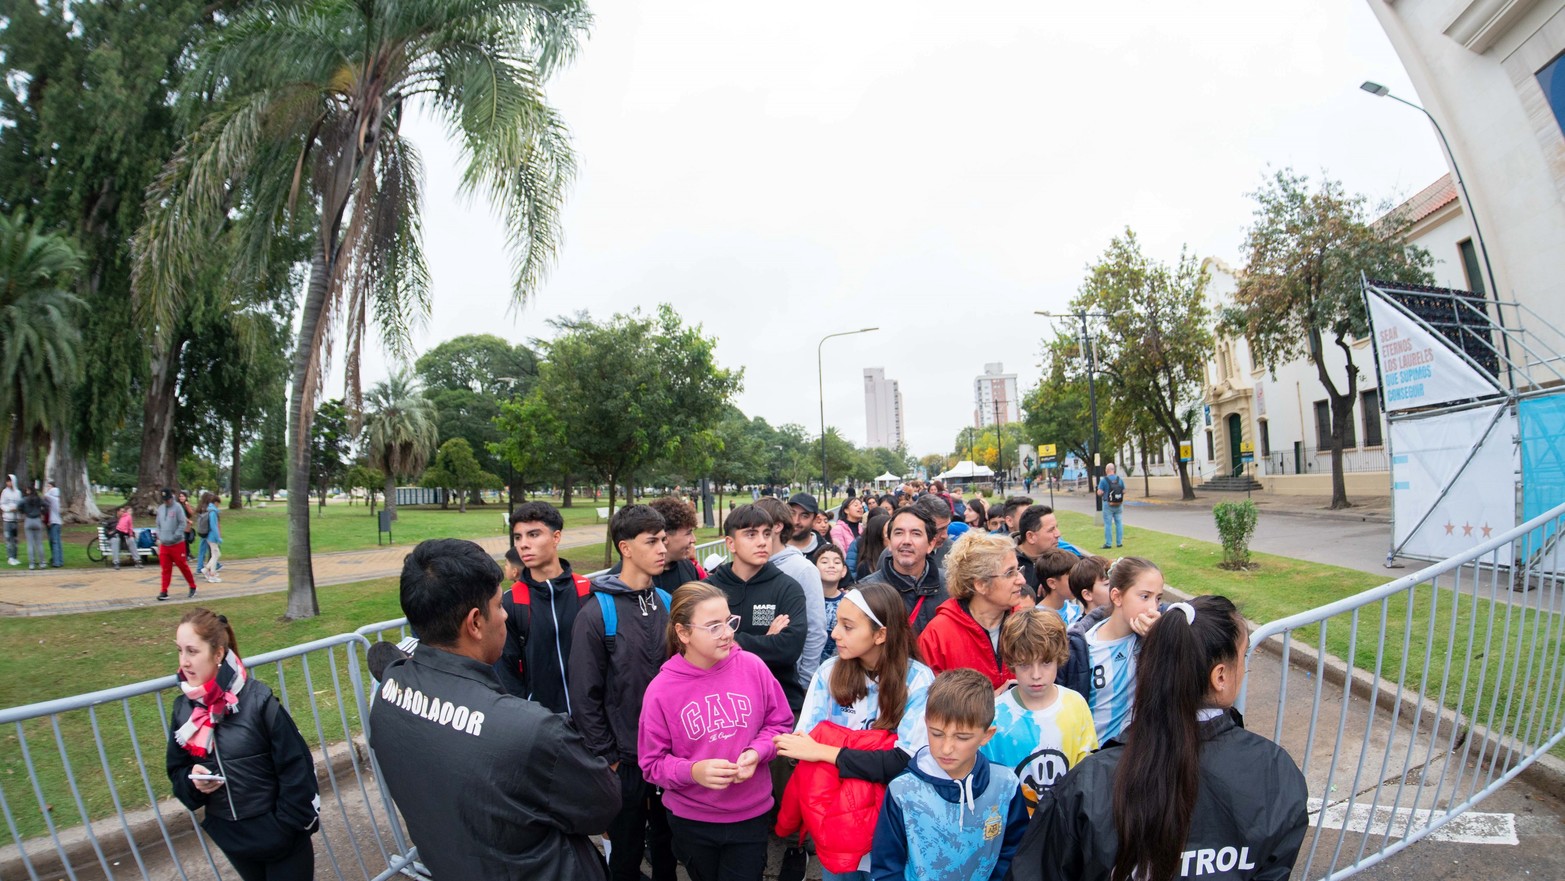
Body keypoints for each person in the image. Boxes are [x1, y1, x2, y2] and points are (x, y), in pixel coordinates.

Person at [1008, 596, 1309, 881]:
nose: (1245, 669)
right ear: (1220, 676)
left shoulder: (1089, 783)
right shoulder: (1274, 772)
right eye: (1244, 658)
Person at [371, 538, 620, 879]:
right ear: (475, 623)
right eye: (499, 605)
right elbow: (601, 805)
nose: (504, 615)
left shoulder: (388, 693)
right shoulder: (528, 729)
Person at [774, 582, 936, 880]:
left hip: (892, 819)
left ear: (881, 634)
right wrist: (866, 754)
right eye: (837, 623)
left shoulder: (918, 680)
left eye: (847, 626)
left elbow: (902, 763)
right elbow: (800, 749)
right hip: (835, 820)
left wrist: (826, 751)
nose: (834, 634)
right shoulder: (829, 673)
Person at [639, 583, 794, 881]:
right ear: (683, 633)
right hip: (692, 820)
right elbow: (651, 763)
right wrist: (692, 771)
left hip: (751, 813)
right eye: (713, 626)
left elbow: (779, 723)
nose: (726, 632)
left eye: (728, 621)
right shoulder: (661, 690)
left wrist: (758, 752)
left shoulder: (753, 667)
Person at [166, 608, 320, 881]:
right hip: (233, 839)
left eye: (192, 651)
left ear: (218, 654)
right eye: (179, 651)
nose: (184, 662)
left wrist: (285, 827)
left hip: (282, 836)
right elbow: (177, 771)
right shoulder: (182, 711)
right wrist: (193, 783)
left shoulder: (259, 701)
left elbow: (297, 768)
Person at [568, 505, 678, 881]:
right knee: (627, 853)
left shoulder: (666, 603)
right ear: (625, 548)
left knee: (667, 846)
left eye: (664, 539)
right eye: (652, 541)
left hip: (668, 757)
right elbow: (584, 695)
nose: (663, 548)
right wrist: (609, 759)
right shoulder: (597, 613)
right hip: (624, 762)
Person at [869, 668, 1028, 881]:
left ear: (987, 735)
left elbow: (1014, 849)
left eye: (962, 737)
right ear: (926, 724)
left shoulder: (1005, 785)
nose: (946, 748)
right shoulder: (903, 791)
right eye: (937, 734)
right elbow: (887, 865)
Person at [981, 609, 1097, 811]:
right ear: (1011, 662)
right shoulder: (995, 715)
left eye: (1045, 662)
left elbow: (1087, 772)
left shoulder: (1075, 705)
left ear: (1058, 658)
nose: (1036, 675)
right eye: (1025, 665)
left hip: (1063, 825)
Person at [704, 503, 809, 714]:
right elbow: (696, 646)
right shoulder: (708, 589)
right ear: (731, 544)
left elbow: (788, 649)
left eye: (767, 534)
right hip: (722, 706)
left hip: (779, 704)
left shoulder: (788, 588)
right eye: (751, 534)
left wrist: (727, 640)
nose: (762, 542)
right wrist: (767, 640)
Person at [496, 501, 592, 711]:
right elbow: (507, 676)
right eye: (518, 537)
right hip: (542, 728)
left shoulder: (588, 592)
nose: (523, 544)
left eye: (533, 535)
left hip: (592, 724)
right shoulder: (511, 603)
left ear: (556, 537)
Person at [1059, 557, 1164, 744]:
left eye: (1158, 598)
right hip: (1091, 756)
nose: (1153, 608)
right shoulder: (1081, 647)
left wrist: (1162, 636)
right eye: (1144, 596)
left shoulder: (1152, 637)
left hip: (1135, 755)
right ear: (1116, 597)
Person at [916, 531, 1025, 689]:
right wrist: (989, 702)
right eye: (1010, 573)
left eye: (1019, 570)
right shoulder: (937, 637)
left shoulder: (1026, 622)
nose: (1022, 580)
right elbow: (929, 704)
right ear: (980, 584)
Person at [756, 496, 827, 693]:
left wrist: (804, 681)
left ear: (777, 527)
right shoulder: (751, 567)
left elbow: (815, 628)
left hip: (791, 684)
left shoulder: (803, 569)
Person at [858, 507, 947, 635]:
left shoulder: (951, 587)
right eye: (899, 533)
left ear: (931, 544)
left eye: (916, 534)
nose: (906, 541)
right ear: (889, 542)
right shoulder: (865, 592)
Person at [610, 496, 708, 590]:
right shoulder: (613, 586)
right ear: (666, 535)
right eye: (688, 533)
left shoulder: (688, 567)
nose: (693, 539)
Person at [156, 488, 199, 601]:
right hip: (164, 544)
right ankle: (164, 590)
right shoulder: (160, 509)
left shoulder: (178, 508)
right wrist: (160, 535)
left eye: (168, 499)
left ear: (172, 497)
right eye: (164, 499)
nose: (167, 501)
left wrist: (176, 535)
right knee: (165, 568)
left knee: (182, 566)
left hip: (177, 544)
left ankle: (192, 586)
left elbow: (182, 523)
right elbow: (158, 524)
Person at [1033, 548, 1082, 627]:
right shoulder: (1038, 618)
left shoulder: (1074, 610)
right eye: (1072, 578)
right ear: (1052, 583)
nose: (1077, 582)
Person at [816, 544, 848, 662]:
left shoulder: (849, 602)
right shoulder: (806, 600)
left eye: (837, 562)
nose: (831, 566)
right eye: (824, 562)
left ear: (844, 570)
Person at [848, 510, 891, 582]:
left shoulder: (897, 560)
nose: (893, 537)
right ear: (878, 536)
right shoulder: (866, 567)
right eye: (888, 533)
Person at [1097, 463, 1126, 549]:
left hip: (1108, 504)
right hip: (1119, 504)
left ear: (1107, 470)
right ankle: (1119, 542)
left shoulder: (1103, 480)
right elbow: (1124, 491)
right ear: (1114, 470)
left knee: (1108, 524)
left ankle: (1108, 543)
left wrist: (1102, 493)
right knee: (1119, 523)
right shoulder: (1119, 479)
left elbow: (1100, 492)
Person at [199, 492, 224, 583]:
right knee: (216, 555)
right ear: (216, 502)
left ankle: (210, 572)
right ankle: (208, 571)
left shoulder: (210, 510)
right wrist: (218, 537)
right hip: (212, 537)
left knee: (215, 555)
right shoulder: (213, 512)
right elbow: (214, 526)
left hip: (210, 537)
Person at [20, 484, 46, 570]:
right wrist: (42, 512)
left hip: (28, 520)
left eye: (27, 490)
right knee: (39, 544)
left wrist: (24, 511)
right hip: (37, 520)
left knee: (30, 544)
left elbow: (19, 506)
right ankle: (42, 563)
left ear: (29, 490)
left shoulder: (25, 499)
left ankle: (32, 564)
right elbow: (46, 505)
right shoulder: (39, 499)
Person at [111, 504, 144, 569]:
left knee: (131, 540)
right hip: (118, 539)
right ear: (118, 512)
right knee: (115, 540)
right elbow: (129, 528)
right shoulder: (112, 520)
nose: (123, 513)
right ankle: (116, 562)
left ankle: (137, 561)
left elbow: (129, 528)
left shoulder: (125, 518)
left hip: (125, 539)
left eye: (124, 511)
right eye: (122, 511)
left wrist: (131, 535)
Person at [44, 479, 63, 568]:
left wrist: (49, 490)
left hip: (54, 522)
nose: (48, 488)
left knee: (54, 542)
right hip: (57, 522)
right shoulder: (56, 499)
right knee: (58, 542)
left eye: (49, 486)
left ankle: (56, 562)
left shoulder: (53, 498)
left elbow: (45, 495)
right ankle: (60, 560)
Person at [2, 474, 19, 566]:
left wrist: (16, 508)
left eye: (10, 481)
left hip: (15, 519)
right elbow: (2, 504)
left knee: (15, 540)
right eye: (7, 481)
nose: (8, 483)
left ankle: (15, 557)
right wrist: (8, 509)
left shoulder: (18, 492)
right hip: (7, 519)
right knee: (8, 539)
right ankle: (10, 557)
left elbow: (20, 503)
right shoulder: (5, 492)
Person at [179, 490, 197, 558]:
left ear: (186, 497)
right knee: (184, 540)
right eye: (180, 496)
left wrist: (187, 505)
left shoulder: (185, 504)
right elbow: (181, 515)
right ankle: (186, 554)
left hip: (186, 525)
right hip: (182, 525)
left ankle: (188, 553)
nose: (181, 498)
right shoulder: (179, 506)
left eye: (183, 496)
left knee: (186, 539)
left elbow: (191, 513)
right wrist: (188, 520)